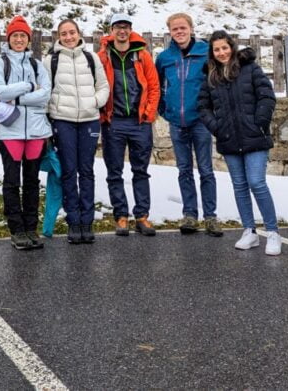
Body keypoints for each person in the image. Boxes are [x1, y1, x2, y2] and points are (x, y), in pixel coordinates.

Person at [197, 30, 282, 255]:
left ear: (231, 47)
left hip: (254, 136)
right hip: (229, 139)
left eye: (224, 47)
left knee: (257, 182)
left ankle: (273, 232)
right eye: (217, 50)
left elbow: (266, 95)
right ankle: (250, 231)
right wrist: (217, 127)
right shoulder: (210, 76)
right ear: (212, 53)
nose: (221, 53)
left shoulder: (250, 68)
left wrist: (260, 121)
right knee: (240, 186)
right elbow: (203, 107)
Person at [44, 18, 109, 244]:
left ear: (79, 33)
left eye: (72, 32)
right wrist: (51, 112)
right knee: (69, 172)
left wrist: (94, 102)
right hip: (63, 121)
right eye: (64, 34)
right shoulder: (50, 60)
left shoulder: (91, 58)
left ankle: (87, 221)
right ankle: (73, 222)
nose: (69, 37)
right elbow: (46, 90)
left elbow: (103, 86)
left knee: (87, 171)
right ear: (58, 37)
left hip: (89, 120)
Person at [0, 16, 52, 251]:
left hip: (36, 131)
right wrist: (27, 88)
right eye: (14, 35)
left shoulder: (38, 65)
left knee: (32, 182)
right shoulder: (0, 63)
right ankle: (16, 229)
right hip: (10, 131)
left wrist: (15, 97)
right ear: (9, 38)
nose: (18, 39)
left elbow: (46, 94)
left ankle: (30, 227)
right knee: (12, 181)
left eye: (22, 36)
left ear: (28, 39)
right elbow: (0, 92)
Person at [156, 13, 221, 237]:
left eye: (183, 28)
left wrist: (210, 112)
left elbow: (217, 83)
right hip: (177, 122)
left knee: (205, 170)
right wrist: (164, 110)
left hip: (200, 122)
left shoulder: (205, 53)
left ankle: (211, 216)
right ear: (170, 32)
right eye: (175, 29)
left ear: (191, 29)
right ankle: (190, 215)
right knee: (184, 170)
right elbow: (158, 87)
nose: (179, 32)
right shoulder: (165, 57)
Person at [97, 13, 161, 237]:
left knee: (140, 171)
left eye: (125, 27)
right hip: (113, 122)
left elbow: (154, 87)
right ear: (111, 30)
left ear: (130, 30)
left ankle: (142, 216)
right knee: (114, 172)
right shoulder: (102, 56)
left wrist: (148, 113)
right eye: (117, 27)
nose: (122, 31)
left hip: (139, 122)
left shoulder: (142, 55)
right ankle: (121, 216)